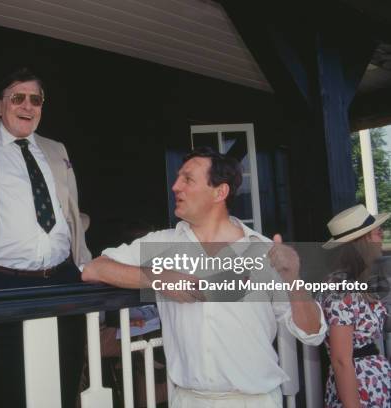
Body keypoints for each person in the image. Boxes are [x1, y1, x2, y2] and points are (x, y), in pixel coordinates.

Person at [82, 146, 326, 408]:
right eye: (177, 178)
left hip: (255, 401)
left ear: (220, 192)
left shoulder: (265, 252)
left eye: (187, 179)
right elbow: (93, 269)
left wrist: (294, 280)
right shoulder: (161, 245)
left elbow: (312, 333)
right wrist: (157, 278)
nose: (175, 186)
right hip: (187, 400)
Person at [0, 67, 91, 407]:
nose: (27, 106)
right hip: (1, 284)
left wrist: (83, 265)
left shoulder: (57, 150)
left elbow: (71, 212)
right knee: (9, 390)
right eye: (18, 98)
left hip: (63, 280)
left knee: (63, 383)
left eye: (35, 99)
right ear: (0, 105)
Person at [319, 205, 391, 407]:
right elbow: (341, 359)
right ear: (364, 240)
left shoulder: (362, 283)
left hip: (375, 384)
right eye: (378, 232)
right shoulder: (340, 287)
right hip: (360, 388)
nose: (382, 236)